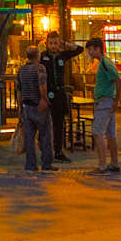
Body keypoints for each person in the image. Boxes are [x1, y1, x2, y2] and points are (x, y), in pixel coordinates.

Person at [41, 34, 83, 164]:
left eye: (55, 43)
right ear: (47, 44)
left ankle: (58, 152)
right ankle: (46, 151)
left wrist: (65, 43)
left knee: (59, 124)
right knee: (44, 124)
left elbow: (80, 49)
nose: (53, 46)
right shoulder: (42, 56)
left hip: (59, 94)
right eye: (51, 43)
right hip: (46, 93)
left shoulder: (63, 56)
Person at [84, 37, 121, 175]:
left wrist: (116, 100)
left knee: (98, 132)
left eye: (91, 49)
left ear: (98, 49)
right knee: (110, 134)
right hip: (108, 101)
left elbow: (119, 80)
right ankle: (114, 163)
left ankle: (102, 166)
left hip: (105, 102)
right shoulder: (103, 63)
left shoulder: (105, 63)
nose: (89, 52)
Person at [16, 45, 53, 173]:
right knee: (45, 135)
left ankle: (30, 165)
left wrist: (20, 107)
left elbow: (19, 90)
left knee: (29, 138)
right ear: (38, 55)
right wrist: (44, 99)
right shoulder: (40, 68)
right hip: (38, 106)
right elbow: (42, 85)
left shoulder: (21, 70)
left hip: (27, 107)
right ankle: (46, 164)